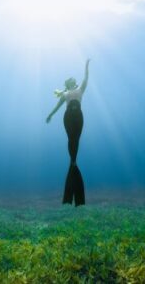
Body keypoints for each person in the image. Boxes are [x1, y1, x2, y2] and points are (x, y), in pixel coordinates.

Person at [46, 59, 90, 206]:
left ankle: (73, 162)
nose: (74, 79)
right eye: (71, 79)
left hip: (78, 116)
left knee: (75, 141)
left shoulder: (80, 90)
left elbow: (86, 78)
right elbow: (57, 107)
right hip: (68, 117)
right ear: (67, 83)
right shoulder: (65, 94)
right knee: (71, 140)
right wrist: (50, 115)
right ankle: (73, 162)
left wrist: (86, 66)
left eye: (74, 78)